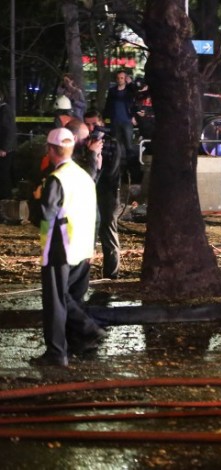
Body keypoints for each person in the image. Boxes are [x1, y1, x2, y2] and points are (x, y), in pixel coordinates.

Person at [31, 128, 106, 367]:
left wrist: (36, 199)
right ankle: (80, 342)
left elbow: (44, 216)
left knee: (55, 302)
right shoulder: (83, 176)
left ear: (50, 150)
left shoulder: (56, 179)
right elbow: (95, 214)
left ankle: (60, 350)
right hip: (82, 247)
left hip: (59, 247)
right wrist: (92, 246)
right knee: (71, 297)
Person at [85, 109, 123, 280]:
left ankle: (111, 274)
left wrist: (95, 160)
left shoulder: (112, 143)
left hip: (107, 193)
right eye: (87, 124)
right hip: (89, 192)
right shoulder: (84, 142)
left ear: (101, 123)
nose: (91, 128)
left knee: (108, 232)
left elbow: (112, 171)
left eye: (94, 124)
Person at [103, 70, 139, 183]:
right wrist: (105, 118)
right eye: (118, 78)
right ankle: (116, 170)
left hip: (127, 121)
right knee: (116, 146)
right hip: (115, 121)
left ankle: (132, 171)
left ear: (125, 79)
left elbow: (136, 94)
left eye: (122, 78)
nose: (120, 80)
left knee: (129, 146)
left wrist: (130, 83)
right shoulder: (112, 91)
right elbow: (108, 105)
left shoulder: (129, 90)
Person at [0, 90, 17, 201]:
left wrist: (4, 148)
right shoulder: (4, 110)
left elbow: (8, 130)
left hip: (5, 150)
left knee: (3, 174)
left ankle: (5, 197)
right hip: (7, 148)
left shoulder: (4, 111)